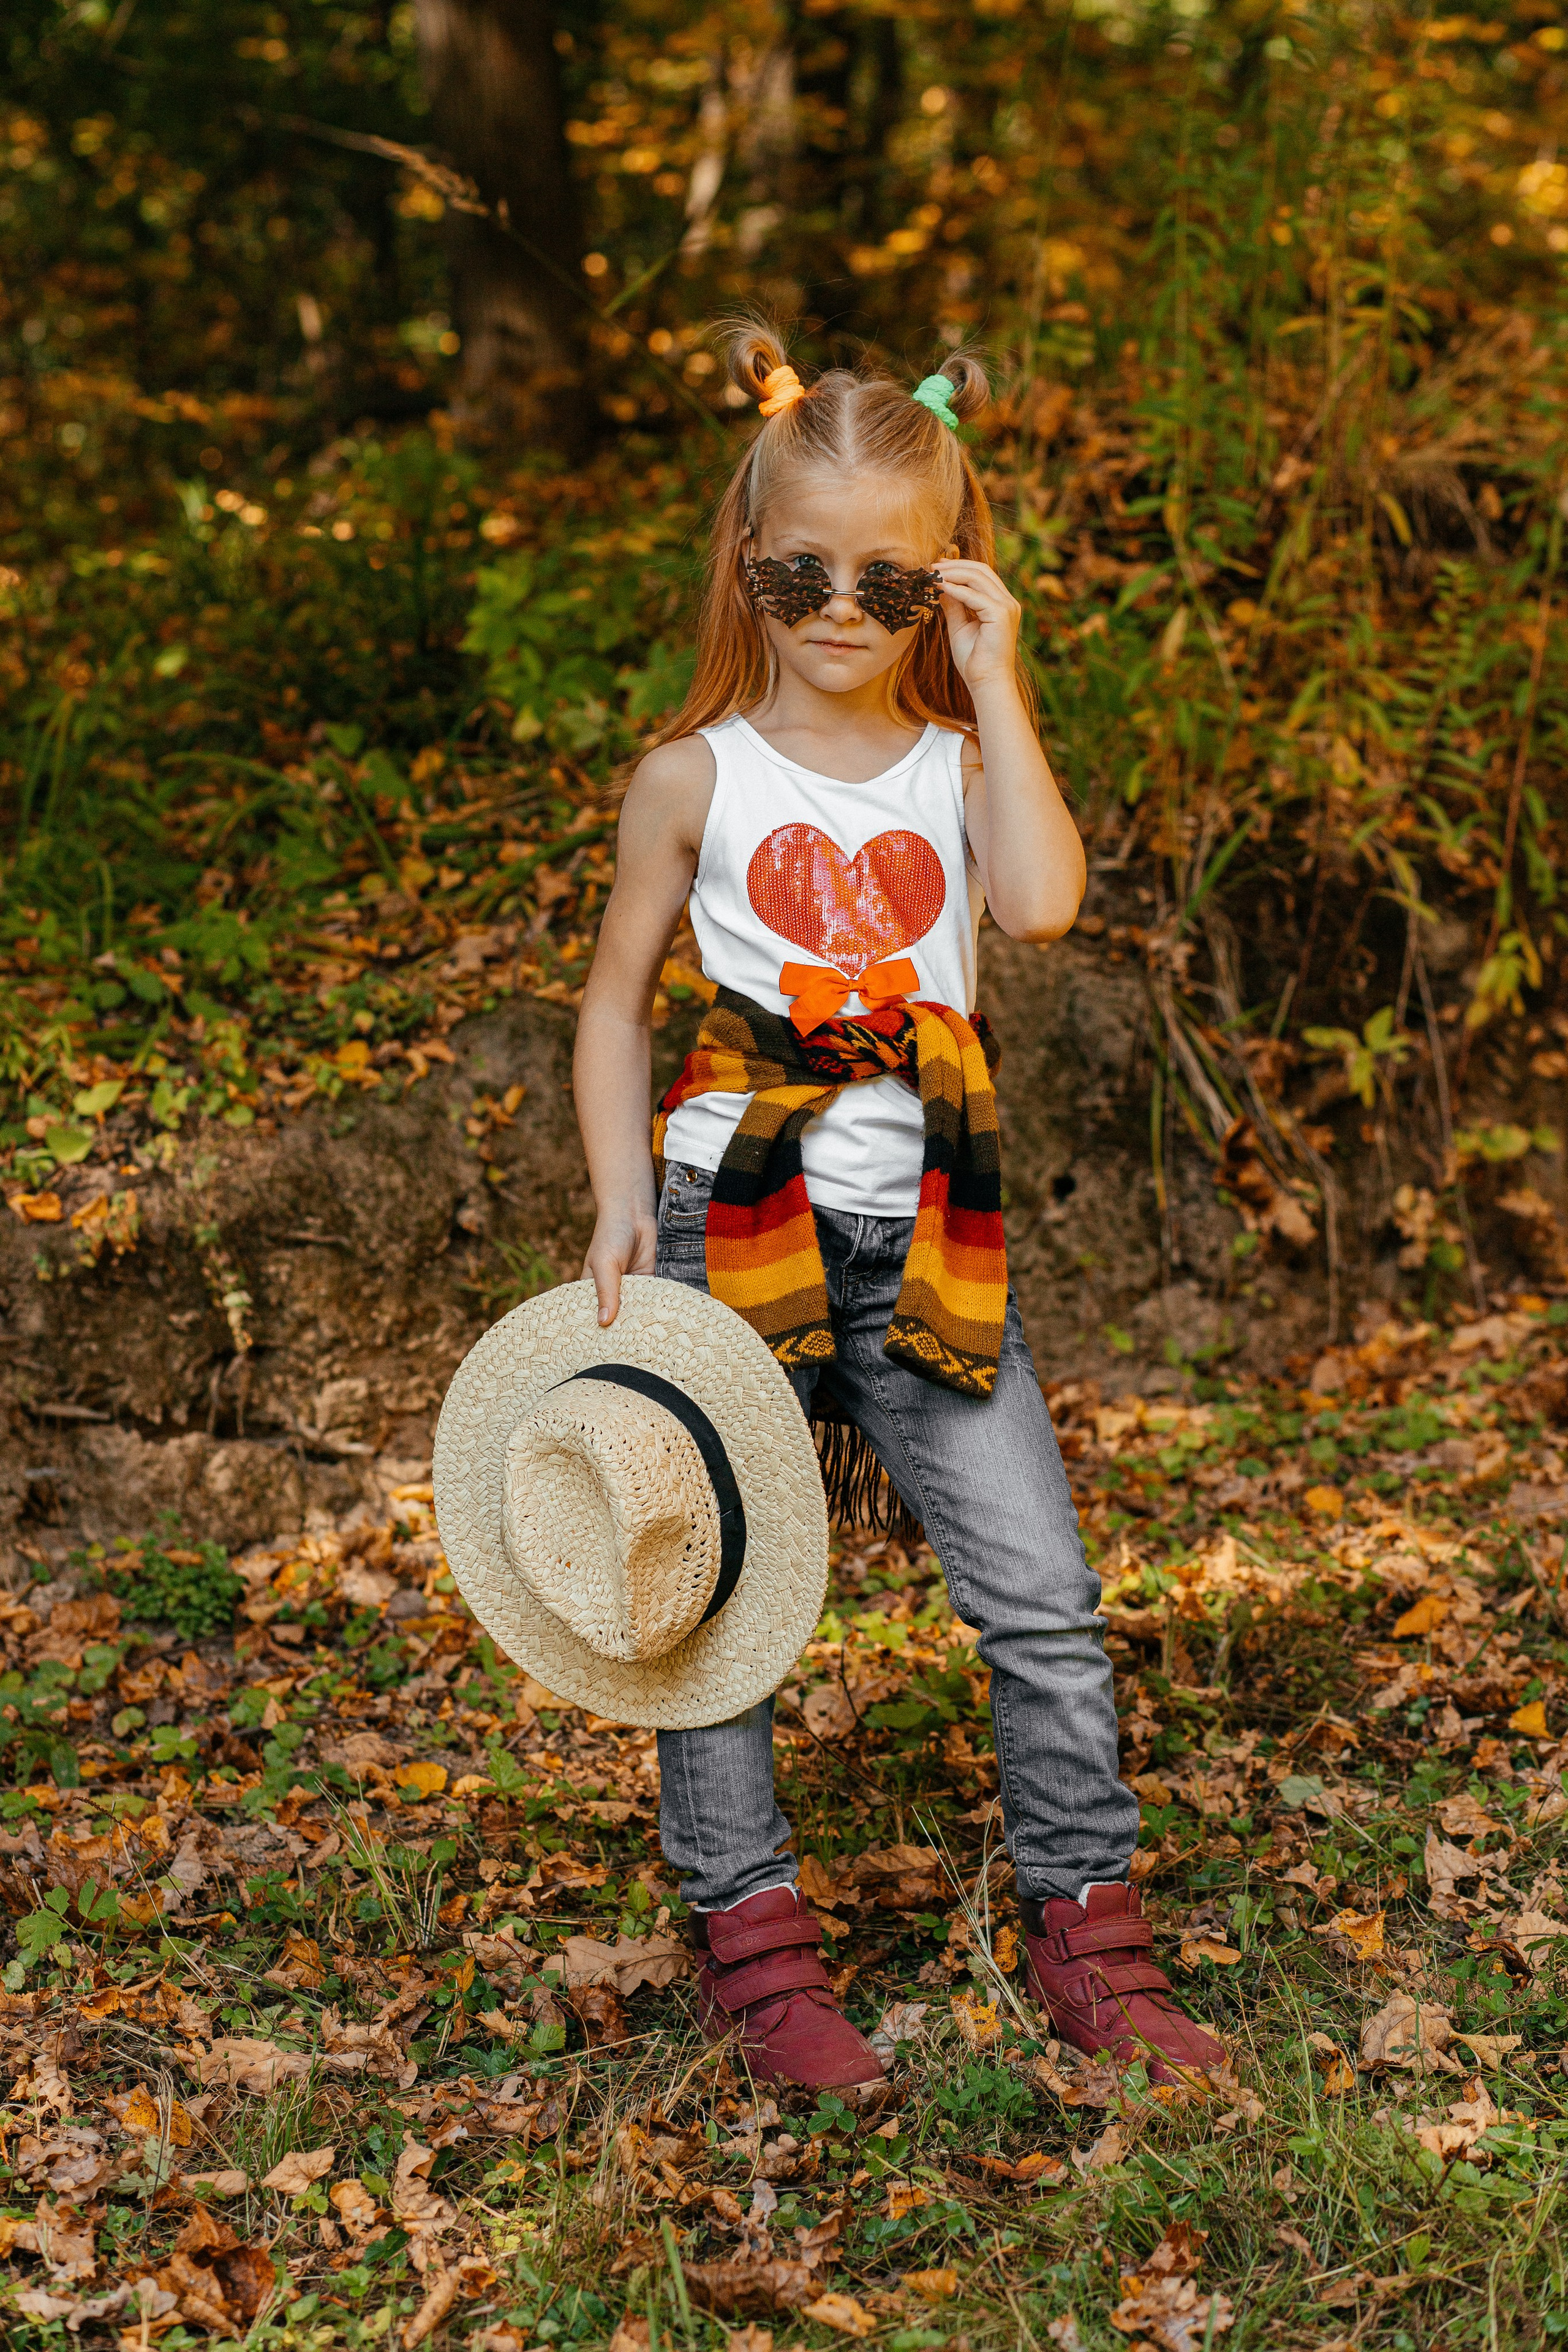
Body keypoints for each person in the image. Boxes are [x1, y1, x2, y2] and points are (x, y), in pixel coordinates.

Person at [571, 323, 1223, 2097]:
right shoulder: (694, 776)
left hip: (928, 1244)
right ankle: (755, 1942)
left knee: (1044, 1597)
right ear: (747, 568)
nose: (844, 608)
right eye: (805, 572)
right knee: (720, 1594)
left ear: (940, 579)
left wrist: (1003, 682)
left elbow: (1042, 907)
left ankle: (1093, 1929)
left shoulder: (952, 765)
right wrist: (625, 1200)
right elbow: (618, 994)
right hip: (736, 1231)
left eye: (890, 576)